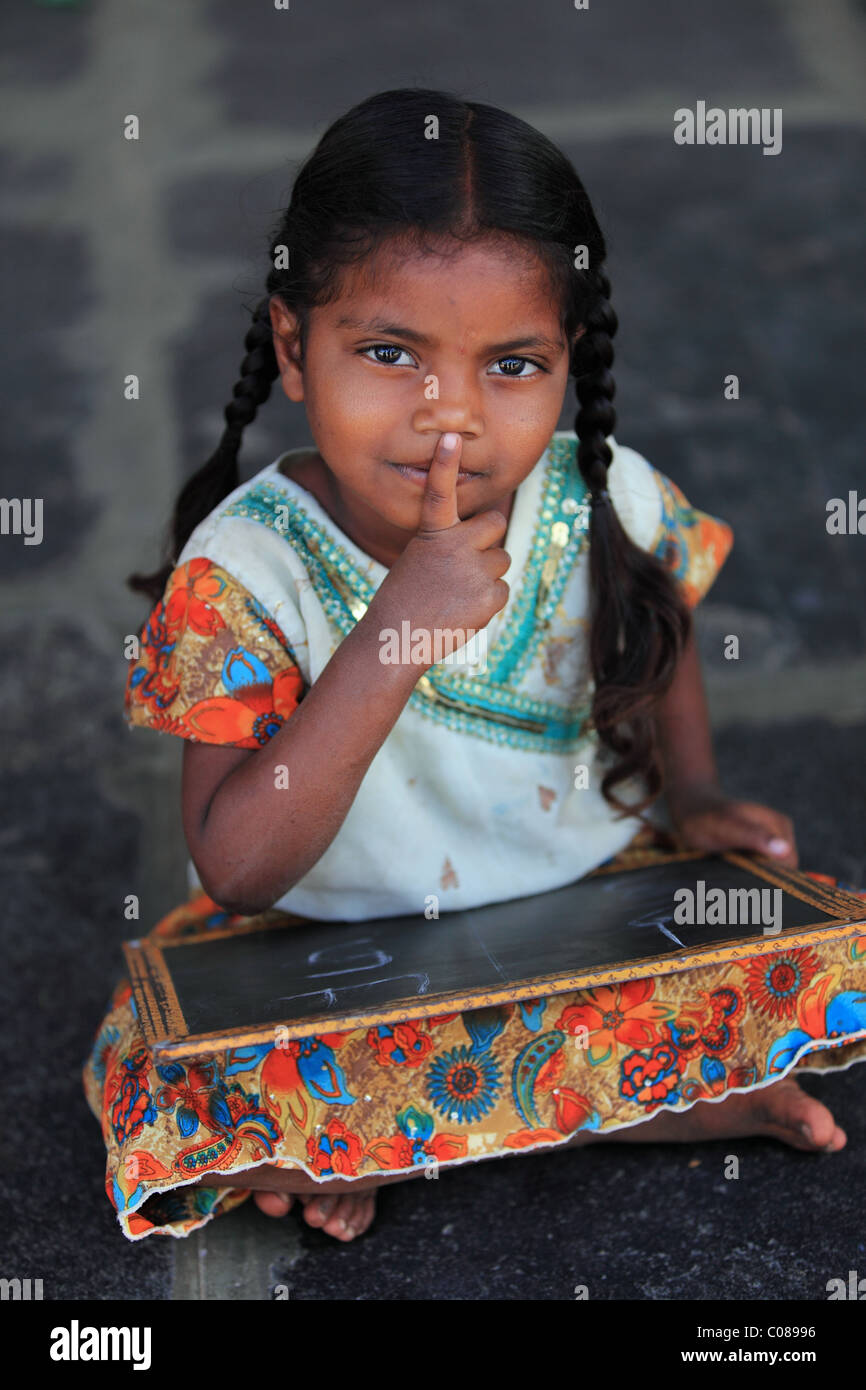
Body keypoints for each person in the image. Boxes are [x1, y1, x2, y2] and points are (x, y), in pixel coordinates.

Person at [83, 88, 866, 1244]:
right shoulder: (247, 570)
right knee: (202, 1067)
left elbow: (661, 627)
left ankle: (418, 1136)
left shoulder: (594, 496)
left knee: (801, 944)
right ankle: (624, 1103)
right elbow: (240, 865)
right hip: (335, 952)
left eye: (509, 364)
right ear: (295, 347)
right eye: (389, 352)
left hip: (583, 910)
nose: (448, 418)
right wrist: (397, 627)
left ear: (568, 361)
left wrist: (691, 795)